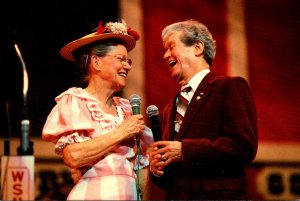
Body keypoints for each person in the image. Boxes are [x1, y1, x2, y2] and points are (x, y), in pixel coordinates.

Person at [42, 19, 153, 200]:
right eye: (121, 59)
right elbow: (73, 156)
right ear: (96, 62)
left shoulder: (125, 108)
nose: (127, 66)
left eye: (129, 60)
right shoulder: (76, 102)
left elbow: (141, 163)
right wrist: (121, 132)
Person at [149, 19, 258, 200]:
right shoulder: (169, 109)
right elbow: (169, 179)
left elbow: (243, 147)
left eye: (171, 46)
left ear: (197, 48)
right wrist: (157, 168)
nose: (165, 55)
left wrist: (185, 150)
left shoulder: (228, 87)